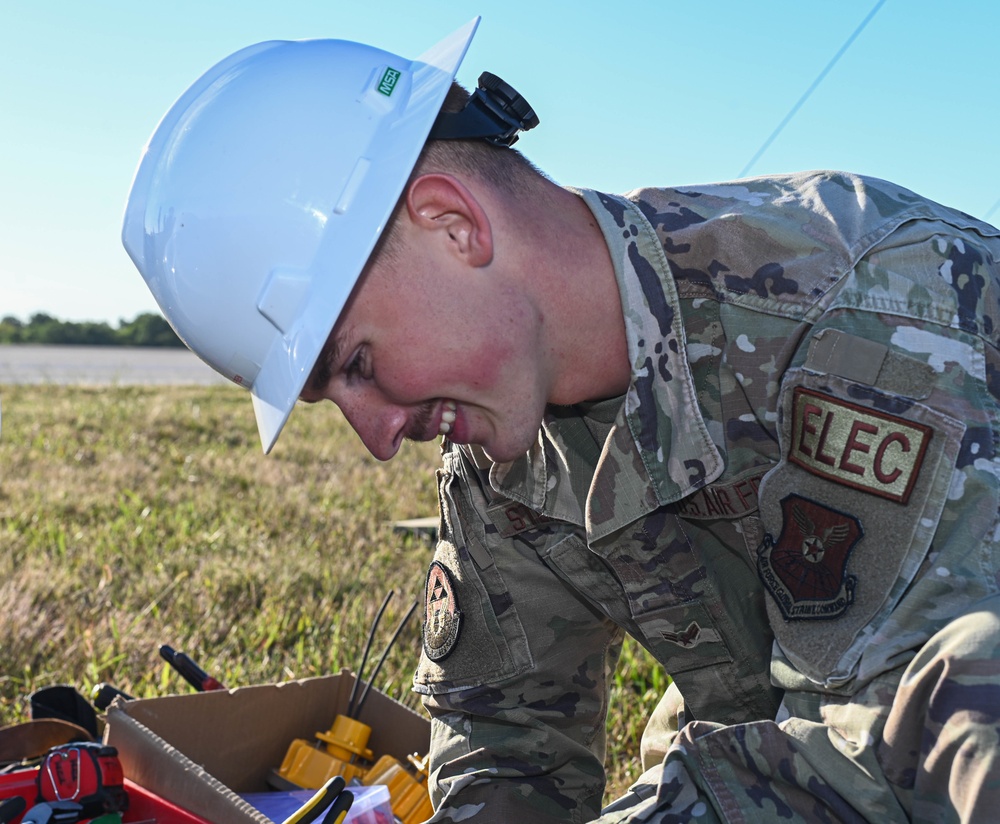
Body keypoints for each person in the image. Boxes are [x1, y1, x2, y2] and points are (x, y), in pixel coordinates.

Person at [122, 18, 1000, 824]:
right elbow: (501, 730)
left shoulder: (868, 313)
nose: (376, 436)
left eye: (356, 365)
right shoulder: (506, 448)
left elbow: (880, 763)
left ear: (454, 224)